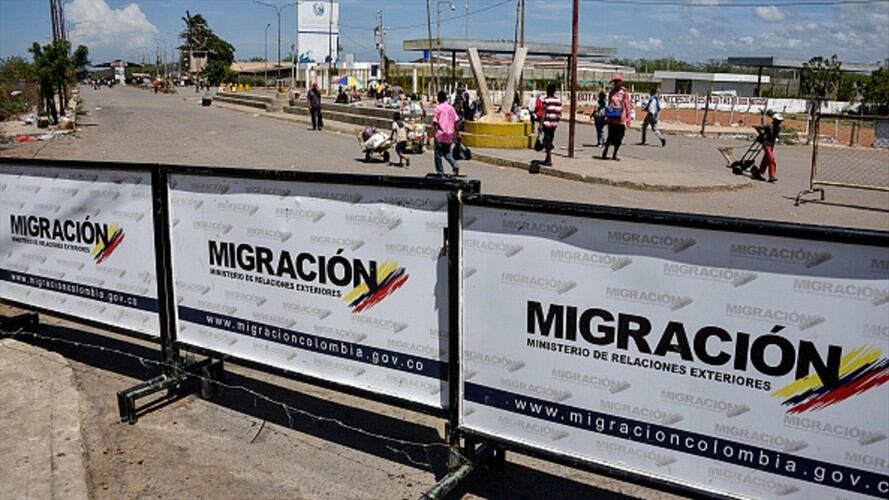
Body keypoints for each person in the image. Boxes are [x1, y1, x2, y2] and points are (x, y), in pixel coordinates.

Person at [601, 73, 632, 161]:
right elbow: (609, 104)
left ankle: (615, 154)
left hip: (621, 118)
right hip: (612, 117)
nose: (616, 83)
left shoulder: (624, 93)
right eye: (615, 82)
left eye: (618, 81)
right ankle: (605, 151)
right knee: (610, 136)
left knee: (620, 137)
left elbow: (627, 105)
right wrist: (606, 116)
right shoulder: (612, 92)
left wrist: (628, 118)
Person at [431, 90, 460, 176]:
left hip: (440, 135)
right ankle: (454, 164)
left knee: (438, 155)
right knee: (447, 153)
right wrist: (457, 133)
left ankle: (440, 172)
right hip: (449, 135)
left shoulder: (438, 109)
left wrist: (431, 135)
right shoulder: (451, 108)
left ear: (438, 99)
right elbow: (456, 121)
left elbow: (435, 123)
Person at [535, 83, 562, 166]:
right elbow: (559, 113)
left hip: (547, 123)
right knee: (550, 139)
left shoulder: (546, 100)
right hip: (554, 124)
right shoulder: (558, 101)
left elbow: (544, 113)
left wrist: (540, 124)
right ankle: (547, 158)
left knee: (547, 141)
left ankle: (549, 160)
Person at [753, 113, 783, 183]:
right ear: (774, 120)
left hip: (772, 145)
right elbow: (757, 127)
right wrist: (762, 134)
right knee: (771, 159)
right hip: (766, 144)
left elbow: (775, 135)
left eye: (780, 121)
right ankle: (772, 176)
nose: (779, 122)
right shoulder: (769, 126)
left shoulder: (778, 128)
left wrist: (778, 137)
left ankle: (759, 173)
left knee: (766, 160)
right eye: (778, 121)